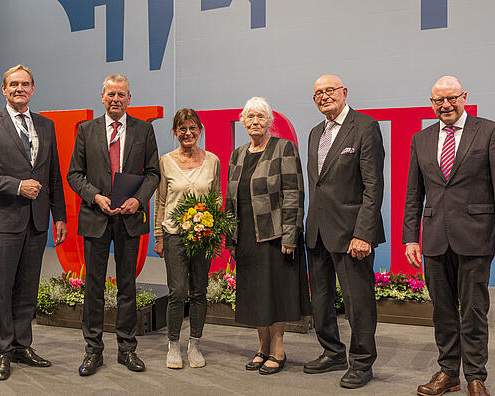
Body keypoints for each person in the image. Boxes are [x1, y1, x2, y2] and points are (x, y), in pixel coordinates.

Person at [403, 76, 495, 396]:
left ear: (463, 97)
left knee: (473, 310)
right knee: (442, 311)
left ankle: (475, 375)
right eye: (438, 100)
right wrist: (410, 237)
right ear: (431, 104)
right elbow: (414, 193)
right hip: (434, 239)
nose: (445, 105)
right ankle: (448, 372)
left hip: (476, 237)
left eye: (451, 98)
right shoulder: (421, 139)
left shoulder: (490, 132)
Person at [0, 64, 67, 381]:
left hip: (36, 222)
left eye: (25, 84)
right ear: (4, 89)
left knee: (27, 289)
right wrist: (16, 186)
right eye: (13, 84)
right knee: (2, 288)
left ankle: (22, 346)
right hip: (2, 220)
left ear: (33, 89)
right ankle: (2, 352)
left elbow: (53, 175)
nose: (19, 89)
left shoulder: (45, 125)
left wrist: (59, 215)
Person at [67, 74, 160, 376]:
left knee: (127, 287)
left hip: (129, 219)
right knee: (93, 288)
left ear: (129, 98)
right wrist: (94, 196)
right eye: (111, 94)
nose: (116, 99)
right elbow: (74, 174)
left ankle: (127, 349)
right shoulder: (86, 130)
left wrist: (139, 200)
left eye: (121, 94)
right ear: (102, 97)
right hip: (95, 218)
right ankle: (93, 350)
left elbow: (153, 174)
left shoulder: (144, 130)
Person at [304, 75, 385, 389]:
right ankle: (332, 352)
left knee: (358, 302)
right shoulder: (314, 133)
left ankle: (362, 362)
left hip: (353, 234)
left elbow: (373, 186)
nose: (324, 96)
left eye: (329, 91)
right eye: (318, 93)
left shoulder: (365, 126)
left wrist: (363, 233)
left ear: (344, 93)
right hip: (318, 233)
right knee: (321, 301)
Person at [224, 97, 308, 376]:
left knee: (275, 293)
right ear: (243, 122)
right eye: (249, 117)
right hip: (246, 234)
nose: (255, 122)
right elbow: (230, 199)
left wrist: (289, 235)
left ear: (269, 121)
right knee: (255, 295)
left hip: (273, 234)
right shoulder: (237, 154)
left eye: (260, 117)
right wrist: (229, 236)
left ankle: (278, 349)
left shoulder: (283, 148)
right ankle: (262, 347)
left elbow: (294, 194)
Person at [153, 109, 221, 369]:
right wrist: (158, 236)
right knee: (177, 292)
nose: (188, 133)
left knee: (199, 292)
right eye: (182, 129)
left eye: (192, 128)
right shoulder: (165, 161)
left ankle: (195, 344)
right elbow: (160, 200)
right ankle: (173, 345)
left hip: (203, 237)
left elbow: (216, 196)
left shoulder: (212, 160)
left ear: (199, 130)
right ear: (175, 132)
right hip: (174, 235)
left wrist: (213, 229)